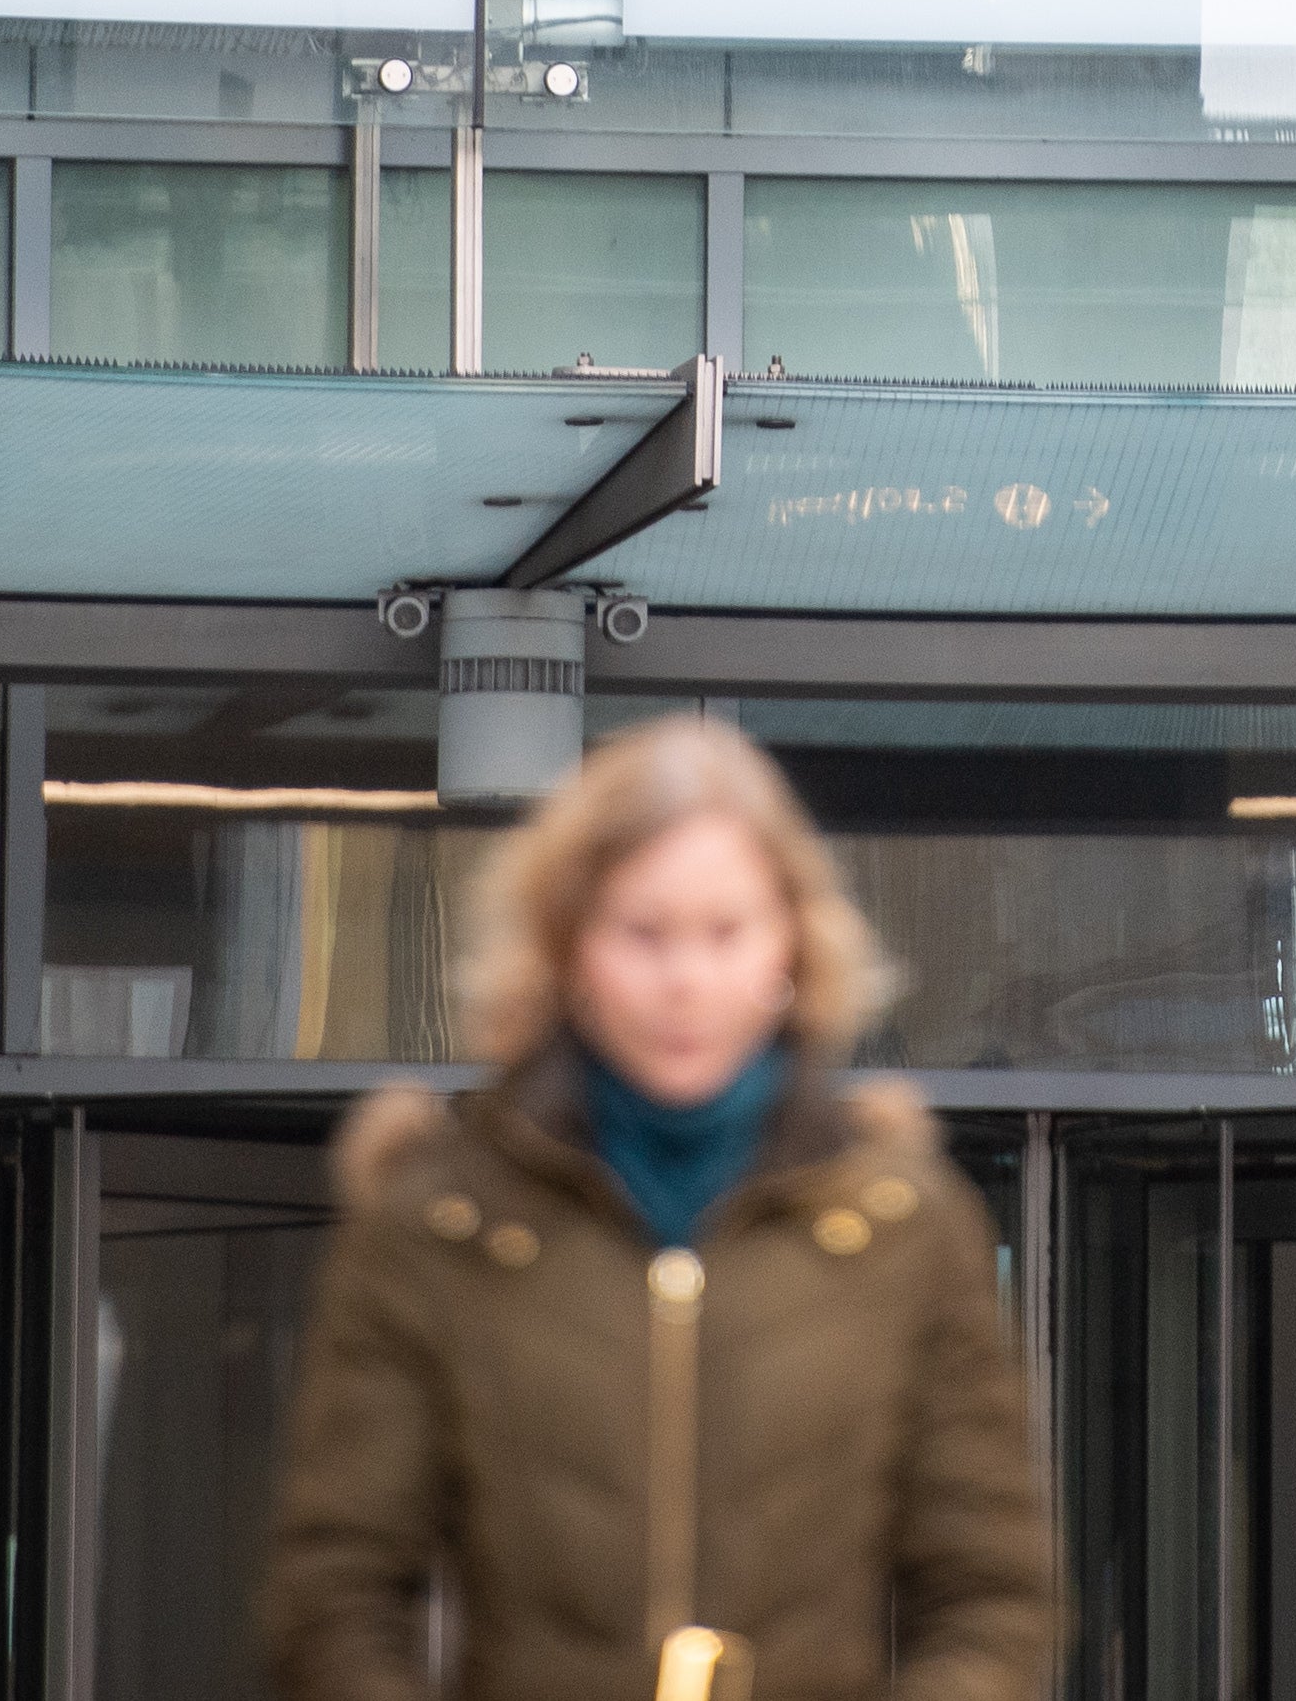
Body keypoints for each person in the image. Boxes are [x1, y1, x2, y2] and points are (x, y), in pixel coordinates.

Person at [261, 718, 1059, 1701]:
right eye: (642, 931)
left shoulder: (904, 1224)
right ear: (568, 947)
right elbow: (333, 1594)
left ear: (791, 945)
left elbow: (994, 1593)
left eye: (726, 931)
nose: (686, 978)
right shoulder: (438, 1218)